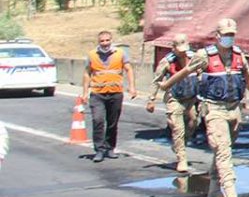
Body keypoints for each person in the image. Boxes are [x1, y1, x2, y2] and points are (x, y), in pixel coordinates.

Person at [162, 18, 249, 197]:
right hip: (214, 109)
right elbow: (186, 70)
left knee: (223, 150)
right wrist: (165, 85)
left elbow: (248, 77)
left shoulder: (239, 55)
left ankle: (214, 190)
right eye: (226, 35)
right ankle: (230, 191)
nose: (229, 38)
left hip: (234, 109)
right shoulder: (204, 55)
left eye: (232, 35)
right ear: (217, 36)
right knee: (223, 149)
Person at [81, 30, 137, 162]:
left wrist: (132, 87)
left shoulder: (120, 53)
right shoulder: (92, 55)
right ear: (98, 42)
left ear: (111, 41)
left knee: (112, 123)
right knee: (98, 120)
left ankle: (110, 148)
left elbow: (128, 69)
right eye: (102, 41)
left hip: (115, 93)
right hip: (97, 94)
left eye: (107, 40)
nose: (105, 43)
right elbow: (87, 73)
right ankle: (99, 150)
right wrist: (84, 93)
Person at [146, 33, 199, 173]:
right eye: (179, 50)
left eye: (184, 50)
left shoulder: (194, 58)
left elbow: (202, 74)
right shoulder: (167, 61)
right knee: (177, 128)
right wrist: (151, 99)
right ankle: (182, 159)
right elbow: (157, 80)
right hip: (174, 98)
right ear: (173, 48)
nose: (182, 54)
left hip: (191, 98)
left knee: (194, 122)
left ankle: (180, 145)